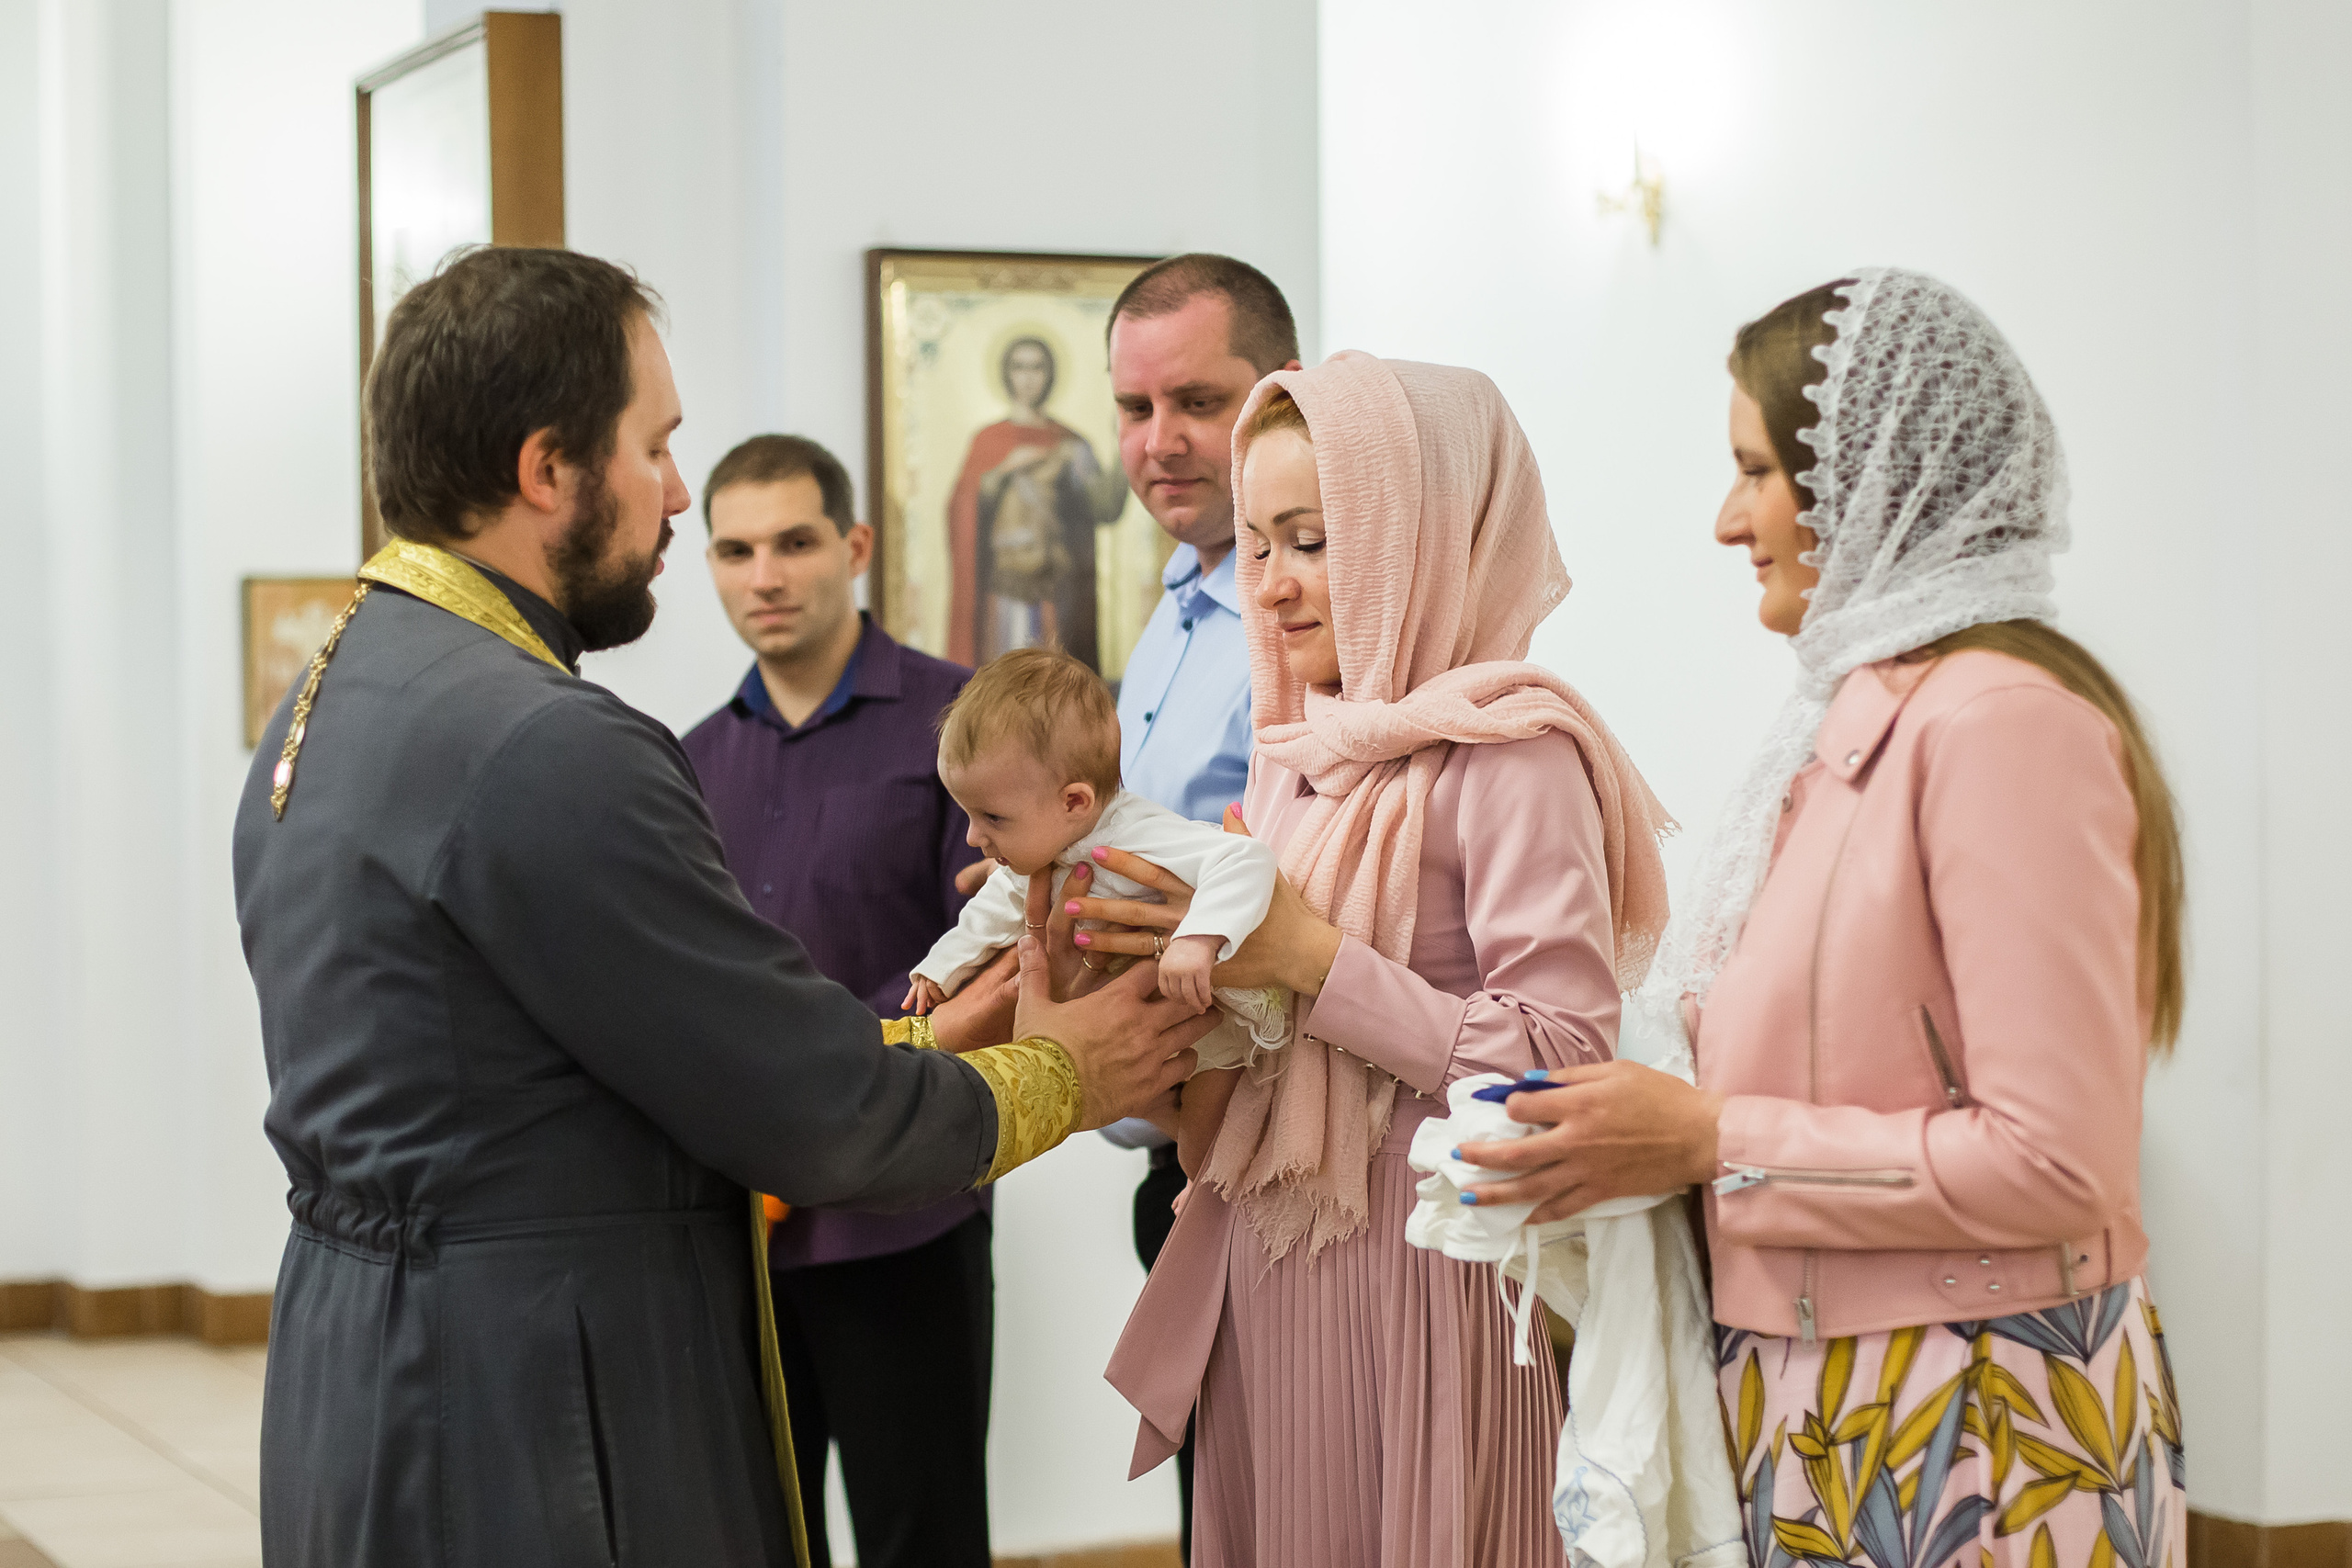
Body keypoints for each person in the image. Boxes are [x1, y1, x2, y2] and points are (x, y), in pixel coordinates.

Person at [232, 246, 1214, 1568]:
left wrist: (928, 1039)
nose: (678, 494)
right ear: (547, 469)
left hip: (370, 1363)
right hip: (539, 1397)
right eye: (656, 443)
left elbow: (628, 1066)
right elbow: (812, 1119)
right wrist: (1066, 1070)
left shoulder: (325, 701)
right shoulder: (547, 742)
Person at [1455, 271, 2190, 1568]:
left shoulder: (1998, 723)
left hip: (1988, 1414)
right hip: (1826, 1401)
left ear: (1870, 478)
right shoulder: (1851, 721)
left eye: (1755, 470)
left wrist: (1704, 1135)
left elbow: (2060, 1160)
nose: (1728, 519)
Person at [1094, 353, 1677, 1566]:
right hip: (1274, 1251)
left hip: (1432, 1271)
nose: (1273, 587)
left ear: (1422, 535)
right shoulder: (1301, 750)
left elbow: (1564, 1052)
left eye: (1313, 540)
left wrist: (1315, 960)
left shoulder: (1510, 755)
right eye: (1255, 546)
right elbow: (1266, 1016)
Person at [681, 434, 993, 1568]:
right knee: (756, 1534)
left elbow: (995, 954)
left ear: (853, 545)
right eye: (735, 549)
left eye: (795, 542)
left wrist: (830, 1072)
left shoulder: (959, 724)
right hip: (740, 1230)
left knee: (925, 1535)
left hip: (902, 1207)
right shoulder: (685, 762)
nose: (765, 575)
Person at [1091, 254, 1306, 1557]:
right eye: (1132, 407)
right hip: (1173, 1149)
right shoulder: (1175, 608)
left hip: (1278, 1157)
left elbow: (1319, 882)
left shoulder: (1307, 613)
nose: (1159, 442)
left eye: (1196, 400)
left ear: (1278, 395)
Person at [908, 647, 1291, 1133]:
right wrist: (941, 968)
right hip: (1140, 1024)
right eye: (969, 814)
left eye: (993, 818)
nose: (972, 838)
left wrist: (1199, 940)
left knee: (1209, 1135)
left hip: (1214, 1006)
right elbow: (994, 905)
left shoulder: (1136, 834)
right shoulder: (1047, 848)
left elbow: (1246, 859)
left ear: (1074, 801)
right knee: (1194, 1143)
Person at [945, 335, 1129, 668]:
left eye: (1037, 367)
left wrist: (1126, 439)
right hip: (1004, 592)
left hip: (1056, 598)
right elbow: (961, 508)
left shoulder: (1071, 444)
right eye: (1019, 367)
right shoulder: (988, 442)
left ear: (1051, 375)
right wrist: (1001, 473)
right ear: (1006, 374)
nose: (1028, 377)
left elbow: (1105, 506)